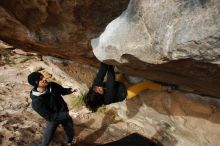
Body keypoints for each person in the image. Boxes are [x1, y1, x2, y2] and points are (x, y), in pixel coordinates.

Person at [84, 63, 178, 112]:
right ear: (100, 97)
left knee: (121, 73)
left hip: (117, 85)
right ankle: (167, 88)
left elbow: (101, 72)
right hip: (124, 94)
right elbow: (110, 81)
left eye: (96, 88)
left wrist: (105, 61)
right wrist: (111, 64)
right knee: (145, 84)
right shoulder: (107, 99)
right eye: (99, 91)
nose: (99, 88)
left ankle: (123, 75)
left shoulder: (95, 86)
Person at [27, 71, 78, 146]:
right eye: (41, 79)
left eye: (43, 76)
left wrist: (71, 90)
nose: (45, 78)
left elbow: (62, 91)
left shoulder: (51, 85)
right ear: (36, 83)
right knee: (47, 136)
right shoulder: (36, 102)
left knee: (70, 131)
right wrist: (67, 114)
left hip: (64, 112)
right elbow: (50, 116)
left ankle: (69, 142)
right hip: (53, 119)